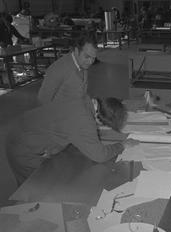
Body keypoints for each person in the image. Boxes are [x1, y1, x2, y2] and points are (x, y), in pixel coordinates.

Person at [6, 96, 138, 186]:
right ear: (99, 117)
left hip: (25, 127)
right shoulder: (83, 121)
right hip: (21, 145)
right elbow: (100, 156)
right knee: (34, 188)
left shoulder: (85, 100)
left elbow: (62, 125)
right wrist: (122, 145)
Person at [37, 34, 98, 105]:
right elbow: (43, 100)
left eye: (93, 58)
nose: (90, 62)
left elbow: (81, 93)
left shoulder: (82, 65)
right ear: (76, 51)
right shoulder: (58, 69)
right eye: (87, 57)